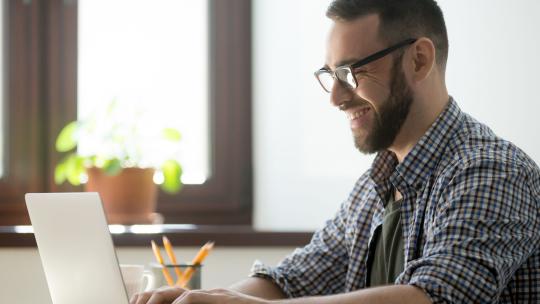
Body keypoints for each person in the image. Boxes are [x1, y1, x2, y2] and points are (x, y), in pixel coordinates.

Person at [131, 0, 540, 303]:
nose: (337, 98)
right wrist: (205, 299)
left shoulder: (491, 171)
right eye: (330, 75)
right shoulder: (374, 187)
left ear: (418, 60)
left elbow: (435, 297)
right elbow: (292, 279)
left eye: (351, 72)